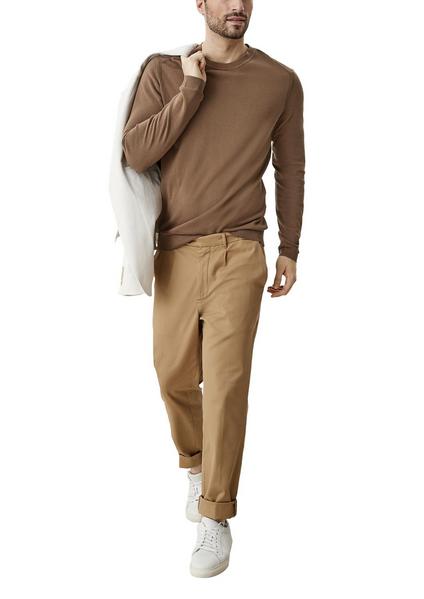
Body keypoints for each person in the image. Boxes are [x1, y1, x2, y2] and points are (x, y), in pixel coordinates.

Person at [122, 0, 305, 578]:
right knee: (172, 375)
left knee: (226, 384)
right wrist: (191, 89)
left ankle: (215, 513)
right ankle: (197, 462)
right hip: (175, 250)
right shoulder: (164, 71)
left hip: (240, 251)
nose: (238, 6)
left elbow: (291, 168)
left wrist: (290, 246)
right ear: (200, 3)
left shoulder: (279, 81)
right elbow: (136, 151)